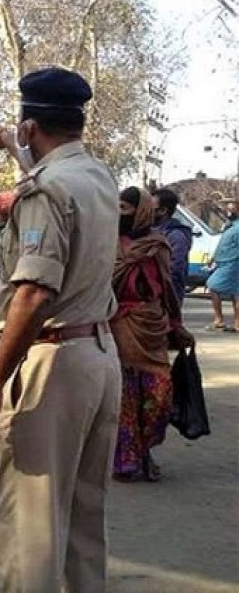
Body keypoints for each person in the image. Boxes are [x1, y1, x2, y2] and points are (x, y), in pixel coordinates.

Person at [0, 67, 122, 592]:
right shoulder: (99, 177)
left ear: (33, 125)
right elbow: (47, 177)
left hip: (52, 362)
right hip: (98, 355)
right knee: (83, 517)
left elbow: (33, 294)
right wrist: (15, 143)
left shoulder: (47, 192)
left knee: (31, 525)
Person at [111, 186, 183, 482]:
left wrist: (177, 325)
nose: (119, 214)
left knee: (159, 396)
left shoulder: (158, 246)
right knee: (124, 397)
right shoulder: (108, 244)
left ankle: (145, 450)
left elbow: (168, 289)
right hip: (118, 324)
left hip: (152, 326)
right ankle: (127, 461)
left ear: (139, 213)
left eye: (125, 209)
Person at [151, 187, 192, 304]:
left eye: (151, 209)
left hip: (165, 297)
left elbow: (175, 269)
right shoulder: (149, 230)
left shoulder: (176, 236)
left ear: (163, 211)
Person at [205, 200, 239, 331]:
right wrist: (213, 258)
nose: (229, 210)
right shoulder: (230, 226)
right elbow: (223, 244)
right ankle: (232, 322)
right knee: (235, 292)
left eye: (232, 208)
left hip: (233, 262)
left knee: (213, 285)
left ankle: (221, 320)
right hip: (224, 262)